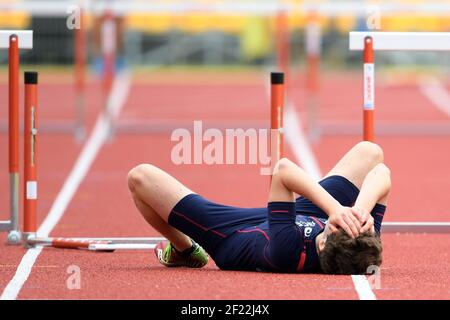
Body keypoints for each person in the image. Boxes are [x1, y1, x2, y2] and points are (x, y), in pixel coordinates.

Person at [127, 141, 391, 274]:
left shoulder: (288, 251)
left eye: (336, 226)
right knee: (370, 152)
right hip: (305, 214)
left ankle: (185, 251)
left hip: (232, 234)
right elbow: (382, 172)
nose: (342, 221)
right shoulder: (360, 243)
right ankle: (336, 211)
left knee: (140, 178)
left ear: (321, 245)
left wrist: (334, 209)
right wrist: (359, 210)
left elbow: (283, 170)